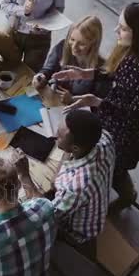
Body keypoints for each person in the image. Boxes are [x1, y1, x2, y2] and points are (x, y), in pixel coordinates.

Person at [53, 2, 139, 212]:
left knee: (115, 167)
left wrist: (96, 101)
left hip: (127, 131)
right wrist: (81, 73)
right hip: (110, 114)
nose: (116, 30)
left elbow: (135, 116)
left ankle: (128, 195)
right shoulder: (129, 48)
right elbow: (111, 73)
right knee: (102, 157)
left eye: (124, 28)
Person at [52, 110, 115, 258]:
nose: (55, 136)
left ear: (75, 148)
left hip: (81, 231)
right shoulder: (105, 139)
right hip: (97, 205)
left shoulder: (74, 188)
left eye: (59, 136)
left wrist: (25, 176)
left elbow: (46, 216)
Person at [1, 0, 66, 72]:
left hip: (40, 36)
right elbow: (4, 4)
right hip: (15, 30)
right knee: (6, 69)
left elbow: (59, 8)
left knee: (30, 73)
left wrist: (46, 23)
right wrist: (23, 10)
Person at [33, 15, 110, 104]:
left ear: (93, 44)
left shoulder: (102, 71)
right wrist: (42, 76)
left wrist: (72, 100)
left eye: (82, 44)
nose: (74, 47)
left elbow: (99, 105)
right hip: (52, 100)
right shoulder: (62, 47)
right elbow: (49, 69)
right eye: (72, 39)